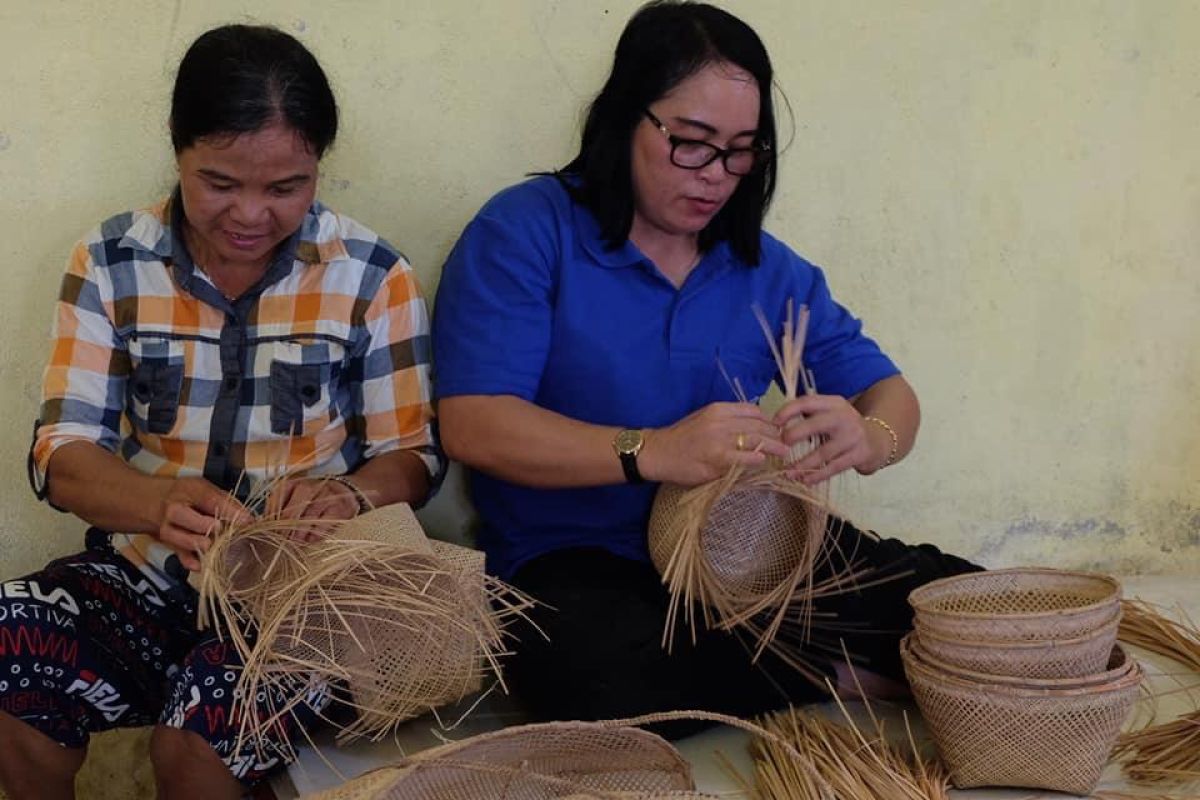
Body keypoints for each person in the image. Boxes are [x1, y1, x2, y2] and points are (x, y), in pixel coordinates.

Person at [433, 0, 978, 733]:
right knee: (591, 675)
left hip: (741, 550)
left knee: (964, 608)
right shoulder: (527, 231)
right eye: (692, 143)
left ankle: (798, 658)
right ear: (627, 116)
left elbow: (891, 395)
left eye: (742, 150)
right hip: (570, 559)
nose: (717, 175)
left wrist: (871, 435)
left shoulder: (763, 269)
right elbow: (474, 424)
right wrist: (653, 450)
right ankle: (829, 666)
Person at [0, 25, 440, 800]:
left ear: (317, 170)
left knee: (198, 736)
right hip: (143, 578)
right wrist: (157, 502)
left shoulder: (372, 275)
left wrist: (350, 495)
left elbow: (413, 454)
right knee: (10, 648)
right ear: (177, 151)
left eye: (285, 188)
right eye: (220, 182)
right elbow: (61, 455)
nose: (250, 215)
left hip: (297, 598)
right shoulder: (109, 262)